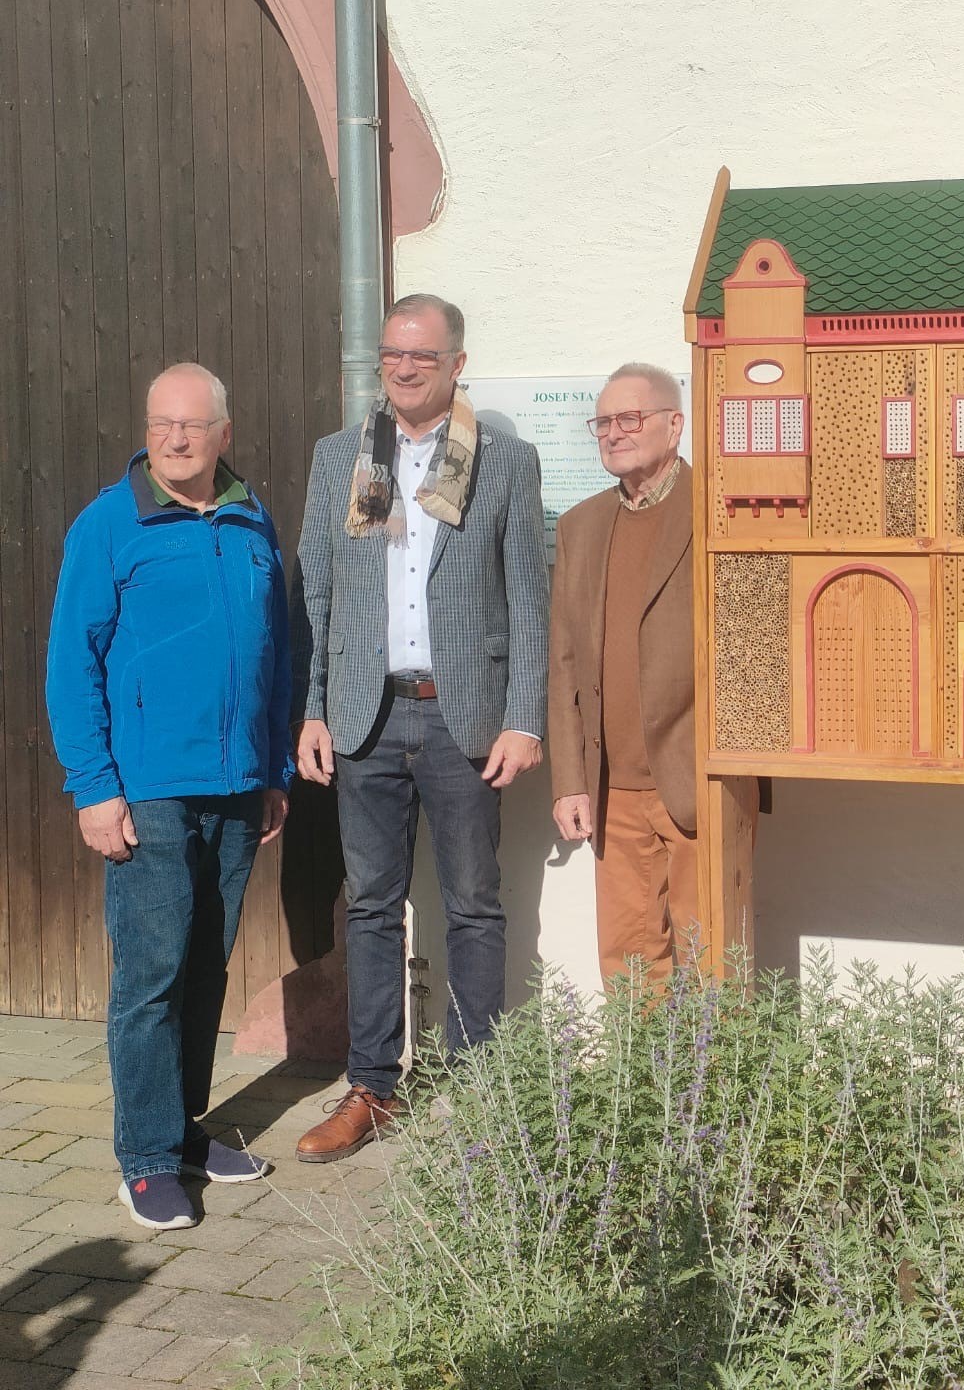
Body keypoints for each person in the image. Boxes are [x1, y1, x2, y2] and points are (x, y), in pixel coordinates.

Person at [290, 293, 549, 1162]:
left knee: (474, 905)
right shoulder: (340, 459)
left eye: (422, 357)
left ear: (455, 365)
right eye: (391, 355)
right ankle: (373, 1088)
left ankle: (478, 1095)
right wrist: (316, 705)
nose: (403, 369)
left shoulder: (504, 462)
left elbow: (528, 598)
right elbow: (320, 593)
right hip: (366, 711)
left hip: (462, 715)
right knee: (370, 906)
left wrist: (524, 717)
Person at [45, 364, 290, 1231]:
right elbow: (71, 665)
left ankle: (182, 1132)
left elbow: (273, 652)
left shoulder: (250, 518)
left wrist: (271, 773)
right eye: (160, 424)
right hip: (146, 789)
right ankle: (145, 1159)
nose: (174, 440)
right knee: (150, 977)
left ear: (224, 432)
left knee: (204, 969)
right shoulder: (109, 526)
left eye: (191, 426)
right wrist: (94, 788)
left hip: (234, 787)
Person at [548, 363, 699, 984]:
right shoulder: (580, 527)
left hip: (700, 779)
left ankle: (717, 1085)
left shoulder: (721, 511)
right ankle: (643, 1084)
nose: (614, 433)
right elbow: (562, 662)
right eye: (603, 422)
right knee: (631, 964)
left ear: (674, 425)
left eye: (630, 418)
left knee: (714, 960)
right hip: (614, 791)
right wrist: (570, 781)